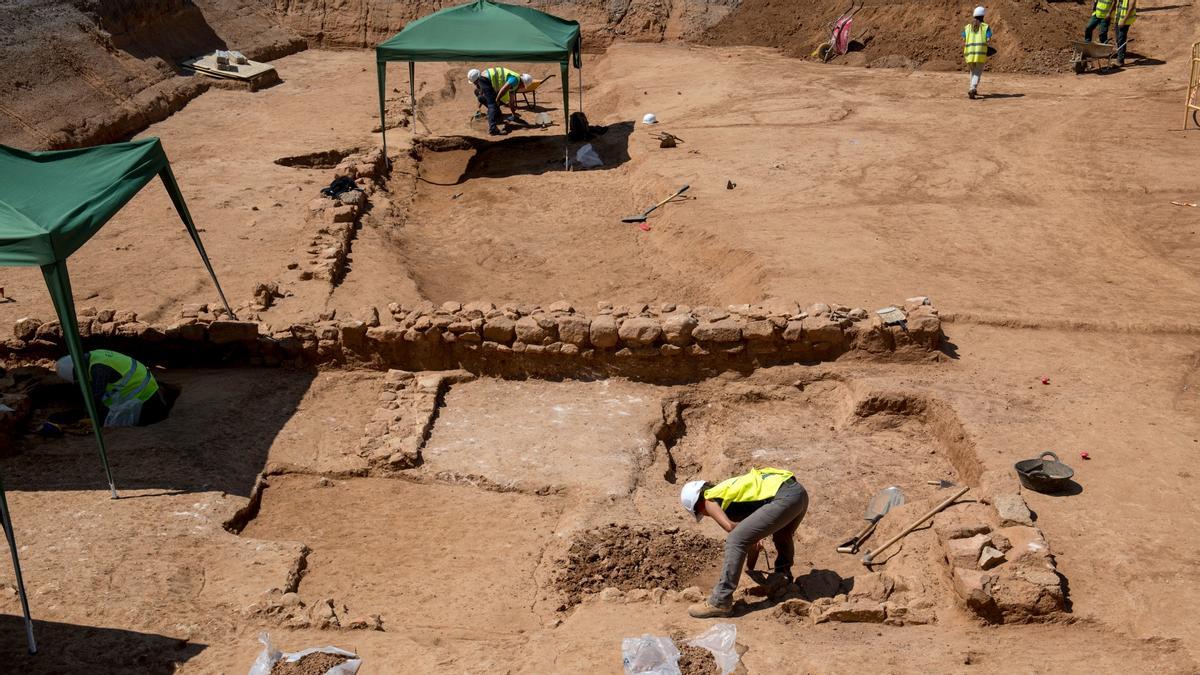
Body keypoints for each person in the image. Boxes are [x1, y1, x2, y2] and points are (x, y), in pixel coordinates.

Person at [680, 467, 809, 618]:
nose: (706, 515)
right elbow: (750, 540)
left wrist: (743, 535)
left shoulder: (708, 498)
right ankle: (783, 577)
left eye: (702, 514)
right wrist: (749, 571)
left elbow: (733, 531)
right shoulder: (733, 492)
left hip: (785, 497)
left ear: (698, 506)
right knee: (782, 535)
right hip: (798, 494)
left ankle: (720, 601)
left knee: (735, 539)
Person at [55, 349, 176, 427]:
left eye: (77, 379)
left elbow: (96, 398)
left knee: (109, 422)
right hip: (149, 388)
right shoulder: (95, 355)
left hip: (145, 400)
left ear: (78, 372)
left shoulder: (99, 369)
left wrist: (92, 419)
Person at [467, 67, 528, 136]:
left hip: (488, 82)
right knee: (492, 104)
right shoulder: (515, 79)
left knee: (487, 100)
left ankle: (498, 118)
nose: (522, 88)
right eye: (523, 86)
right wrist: (497, 100)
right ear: (522, 83)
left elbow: (511, 100)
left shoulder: (514, 83)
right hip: (487, 81)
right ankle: (493, 129)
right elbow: (504, 89)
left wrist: (513, 113)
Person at [962, 6, 992, 100]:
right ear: (983, 16)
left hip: (969, 53)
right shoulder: (985, 27)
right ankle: (972, 88)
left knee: (972, 71)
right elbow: (988, 38)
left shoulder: (967, 27)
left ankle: (973, 89)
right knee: (977, 72)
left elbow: (963, 37)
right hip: (980, 53)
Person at [1114, 0, 1136, 66]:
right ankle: (1119, 57)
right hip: (1118, 19)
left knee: (1121, 39)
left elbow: (1131, 8)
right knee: (1118, 39)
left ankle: (1120, 60)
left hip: (1125, 21)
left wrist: (1124, 20)